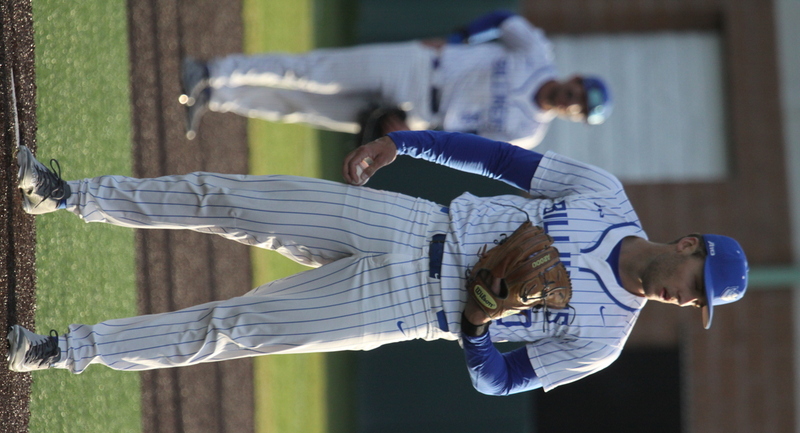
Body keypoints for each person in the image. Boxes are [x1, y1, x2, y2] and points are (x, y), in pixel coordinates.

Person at [6, 131, 747, 395]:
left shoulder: (604, 340)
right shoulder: (604, 196)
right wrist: (405, 143)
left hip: (405, 308)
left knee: (227, 328)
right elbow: (500, 159)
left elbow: (498, 380)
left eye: (699, 303)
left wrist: (476, 327)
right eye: (698, 284)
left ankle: (57, 350)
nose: (688, 299)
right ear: (689, 246)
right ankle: (67, 195)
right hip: (412, 220)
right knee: (227, 197)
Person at [180, 10, 612, 147]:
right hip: (418, 67)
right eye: (580, 93)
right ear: (575, 79)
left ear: (573, 117)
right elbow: (503, 20)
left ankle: (215, 96)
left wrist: (410, 137)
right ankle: (213, 70)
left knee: (301, 108)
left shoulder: (527, 132)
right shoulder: (537, 55)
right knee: (310, 71)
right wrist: (456, 39)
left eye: (579, 109)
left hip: (420, 114)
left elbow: (467, 145)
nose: (572, 101)